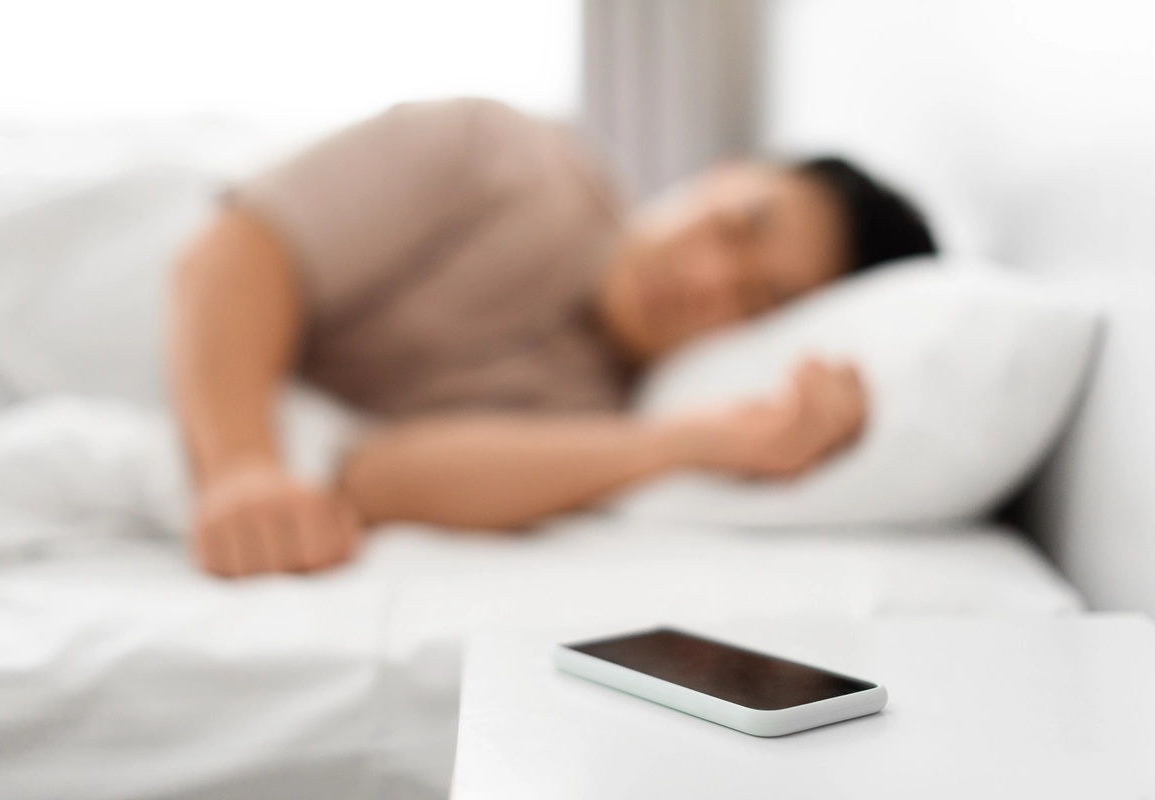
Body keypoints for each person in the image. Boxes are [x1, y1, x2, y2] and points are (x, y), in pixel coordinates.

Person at [171, 97, 937, 578]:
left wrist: (690, 442)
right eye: (737, 226)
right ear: (722, 171)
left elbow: (375, 482)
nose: (707, 279)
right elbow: (238, 249)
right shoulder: (505, 156)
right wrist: (242, 466)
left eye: (758, 302)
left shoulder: (598, 408)